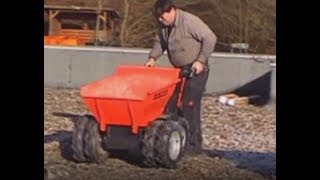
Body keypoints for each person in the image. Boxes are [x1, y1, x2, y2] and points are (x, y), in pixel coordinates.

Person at [145, 0, 217, 154]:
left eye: (162, 16)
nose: (160, 20)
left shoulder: (190, 22)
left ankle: (194, 145)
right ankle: (175, 138)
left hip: (196, 70)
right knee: (171, 104)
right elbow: (160, 43)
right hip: (178, 71)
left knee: (189, 105)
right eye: (158, 17)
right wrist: (153, 58)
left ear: (172, 10)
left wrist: (200, 61)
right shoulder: (165, 26)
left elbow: (210, 38)